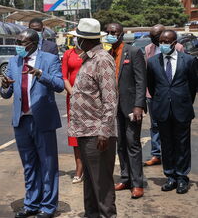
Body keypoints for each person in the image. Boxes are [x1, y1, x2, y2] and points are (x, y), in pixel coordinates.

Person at [0, 29, 64, 218]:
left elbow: (60, 85)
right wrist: (4, 87)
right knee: (29, 165)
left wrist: (40, 74)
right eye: (17, 41)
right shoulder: (14, 61)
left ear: (34, 43)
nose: (18, 46)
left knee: (48, 165)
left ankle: (48, 206)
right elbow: (7, 93)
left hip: (43, 120)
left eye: (22, 42)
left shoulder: (49, 59)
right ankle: (31, 204)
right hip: (22, 120)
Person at [68, 18, 118, 217]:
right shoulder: (88, 59)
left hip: (97, 133)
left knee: (102, 186)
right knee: (90, 184)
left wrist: (104, 132)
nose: (75, 42)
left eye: (77, 39)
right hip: (83, 131)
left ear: (84, 40)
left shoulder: (102, 60)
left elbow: (110, 100)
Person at [147, 30, 197, 194]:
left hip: (182, 109)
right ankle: (170, 177)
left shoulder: (188, 60)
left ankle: (182, 177)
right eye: (161, 41)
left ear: (175, 43)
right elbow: (152, 86)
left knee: (182, 145)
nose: (163, 45)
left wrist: (184, 102)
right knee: (166, 145)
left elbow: (193, 86)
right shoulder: (153, 62)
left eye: (166, 42)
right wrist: (162, 100)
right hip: (162, 109)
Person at [105, 23, 147, 199]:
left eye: (113, 32)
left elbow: (141, 81)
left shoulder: (134, 52)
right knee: (120, 144)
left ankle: (137, 183)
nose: (110, 35)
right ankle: (125, 178)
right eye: (107, 32)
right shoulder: (108, 54)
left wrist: (138, 105)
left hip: (131, 107)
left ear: (121, 34)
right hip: (114, 108)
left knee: (133, 144)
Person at [143, 24, 185, 167]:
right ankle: (157, 154)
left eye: (156, 37)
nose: (155, 40)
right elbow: (148, 74)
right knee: (155, 125)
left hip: (173, 95)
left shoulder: (178, 48)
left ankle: (173, 154)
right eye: (152, 37)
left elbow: (184, 76)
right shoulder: (149, 49)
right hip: (154, 95)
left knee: (173, 125)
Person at [61, 44, 84, 184]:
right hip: (73, 98)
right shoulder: (68, 54)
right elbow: (64, 77)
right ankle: (79, 168)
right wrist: (73, 94)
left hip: (92, 99)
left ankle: (91, 167)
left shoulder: (94, 52)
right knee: (75, 135)